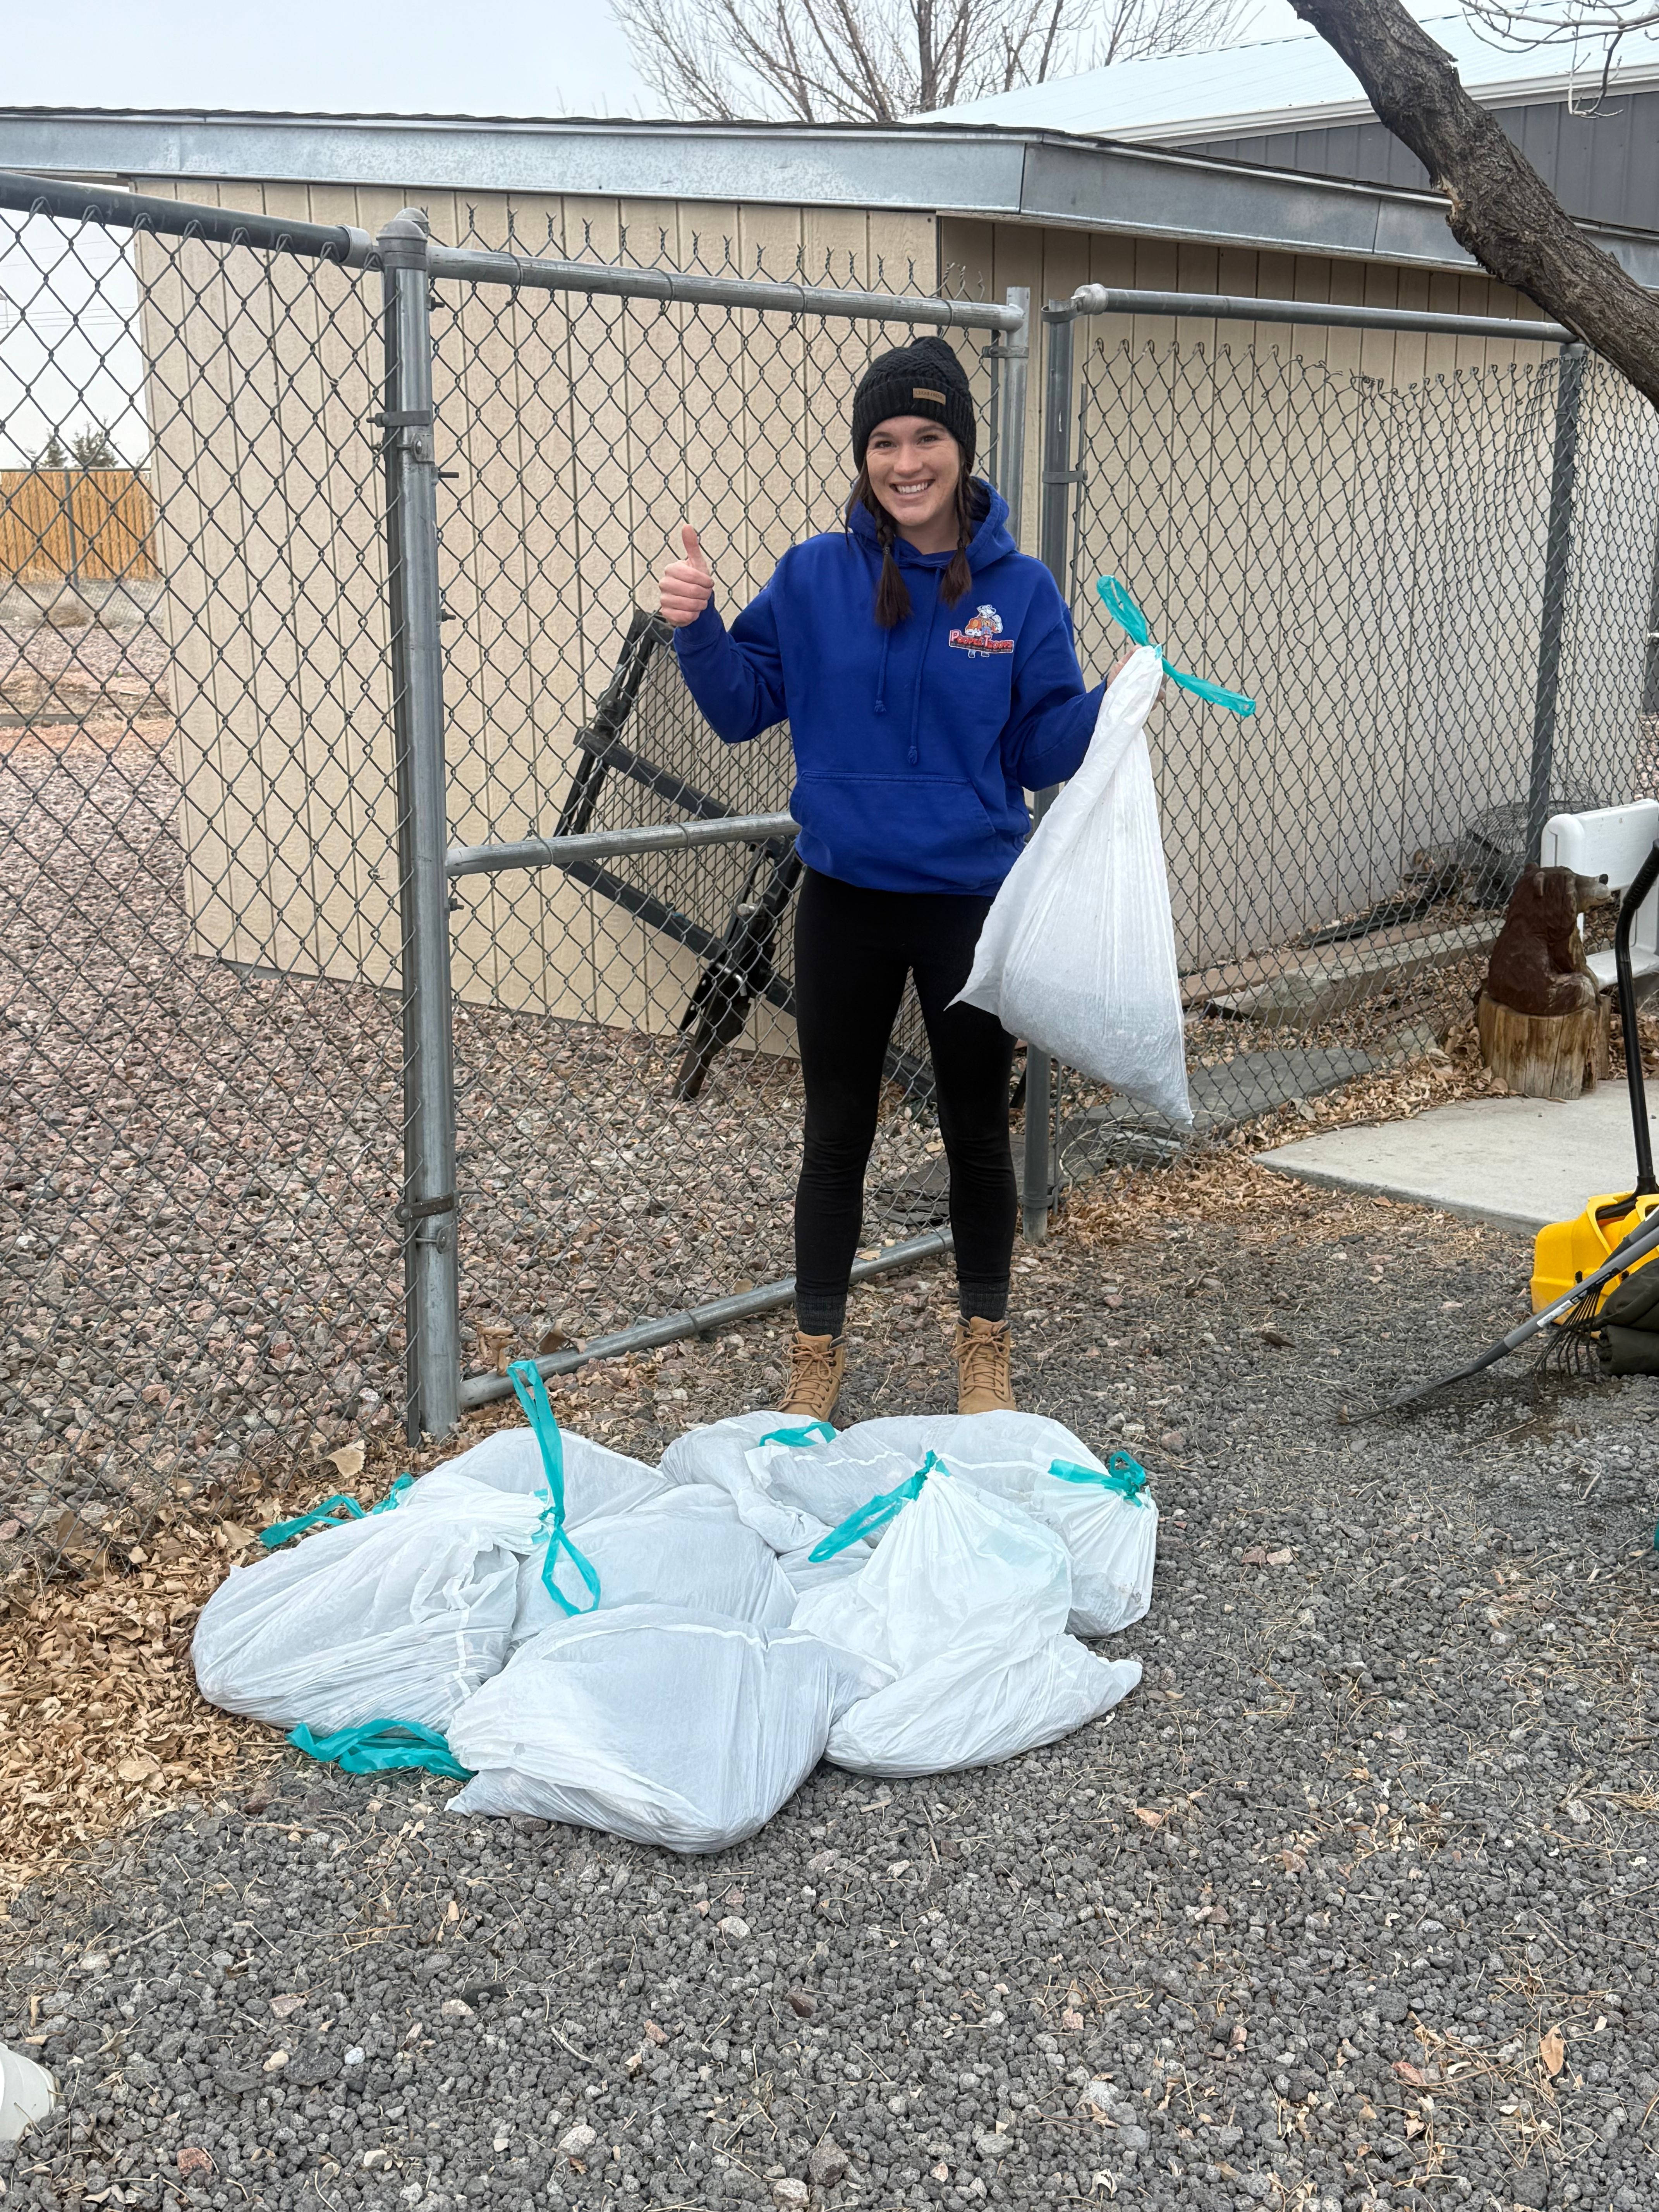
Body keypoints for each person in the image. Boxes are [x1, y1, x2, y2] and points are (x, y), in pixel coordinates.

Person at [656, 334, 1115, 1422]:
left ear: (961, 447)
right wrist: (695, 626)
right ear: (863, 456)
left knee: (970, 1126)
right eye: (884, 442)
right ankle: (816, 1360)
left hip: (966, 904)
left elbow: (1034, 751)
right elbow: (736, 708)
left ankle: (983, 1351)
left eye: (927, 437)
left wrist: (1115, 706)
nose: (905, 462)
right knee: (837, 1131)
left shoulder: (1018, 589)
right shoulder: (815, 574)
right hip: (846, 901)